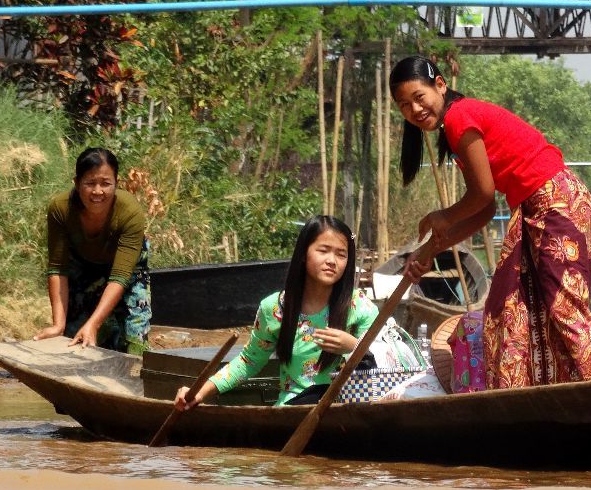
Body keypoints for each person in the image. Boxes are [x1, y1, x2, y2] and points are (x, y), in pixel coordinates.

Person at [389, 55, 591, 389]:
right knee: (509, 313)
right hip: (534, 208)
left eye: (419, 98)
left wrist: (440, 217)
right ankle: (546, 397)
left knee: (565, 309)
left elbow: (481, 194)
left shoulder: (460, 117)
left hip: (555, 201)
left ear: (440, 86)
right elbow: (486, 209)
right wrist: (431, 251)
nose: (415, 110)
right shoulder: (455, 128)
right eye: (404, 105)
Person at [173, 215, 379, 408]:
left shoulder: (359, 306)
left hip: (345, 411)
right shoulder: (274, 308)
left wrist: (354, 347)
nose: (332, 261)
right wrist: (200, 391)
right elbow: (249, 361)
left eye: (341, 254)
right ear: (303, 255)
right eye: (323, 250)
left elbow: (389, 359)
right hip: (294, 412)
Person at [33, 147, 151, 354]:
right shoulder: (61, 209)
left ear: (116, 183)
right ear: (77, 183)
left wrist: (94, 323)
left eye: (106, 184)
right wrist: (58, 324)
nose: (98, 192)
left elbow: (120, 277)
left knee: (133, 339)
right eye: (90, 183)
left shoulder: (130, 212)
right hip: (82, 264)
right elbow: (58, 269)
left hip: (126, 270)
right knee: (73, 337)